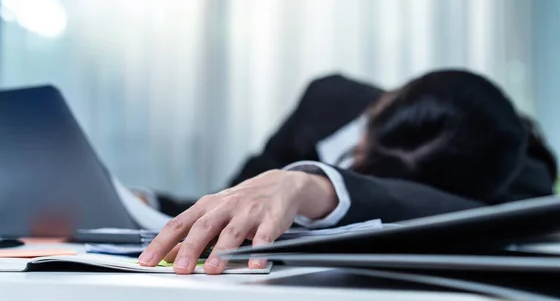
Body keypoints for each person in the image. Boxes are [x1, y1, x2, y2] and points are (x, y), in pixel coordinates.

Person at [138, 69, 557, 275]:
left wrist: (311, 186)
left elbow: (458, 213)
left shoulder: (524, 179)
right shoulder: (328, 103)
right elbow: (234, 200)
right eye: (364, 153)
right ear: (382, 105)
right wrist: (148, 204)